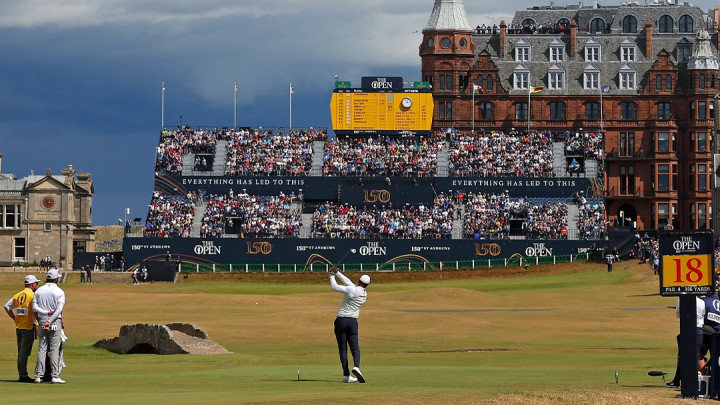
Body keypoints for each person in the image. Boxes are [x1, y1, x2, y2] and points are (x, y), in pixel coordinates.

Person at [329, 267, 370, 383]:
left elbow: (335, 287)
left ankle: (346, 375)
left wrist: (332, 275)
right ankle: (356, 366)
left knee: (343, 348)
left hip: (341, 320)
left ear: (359, 281)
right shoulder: (364, 294)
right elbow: (349, 283)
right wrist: (338, 273)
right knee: (355, 347)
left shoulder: (352, 290)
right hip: (353, 322)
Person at [32, 269, 66, 384]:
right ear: (56, 279)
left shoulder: (39, 291)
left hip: (42, 320)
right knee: (54, 349)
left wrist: (46, 315)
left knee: (42, 348)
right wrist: (50, 320)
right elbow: (59, 310)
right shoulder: (59, 291)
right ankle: (55, 375)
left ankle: (38, 376)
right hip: (54, 321)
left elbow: (35, 307)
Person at [4, 275, 40, 383]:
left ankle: (21, 373)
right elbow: (35, 310)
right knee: (24, 352)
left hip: (19, 326)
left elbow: (7, 307)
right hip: (28, 326)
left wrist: (15, 318)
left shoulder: (18, 295)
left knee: (21, 351)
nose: (37, 285)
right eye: (36, 283)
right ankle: (23, 375)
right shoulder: (32, 295)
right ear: (33, 284)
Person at [666, 295, 705, 389]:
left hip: (687, 328)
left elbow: (678, 315)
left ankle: (687, 382)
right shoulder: (701, 301)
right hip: (699, 330)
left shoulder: (681, 300)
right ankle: (687, 381)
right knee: (695, 355)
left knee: (684, 356)